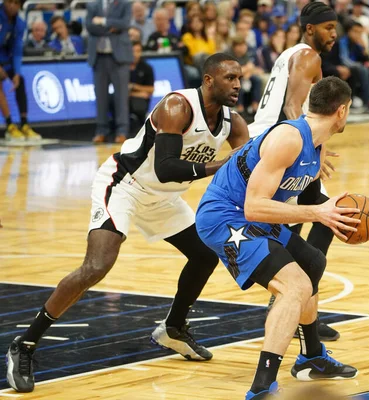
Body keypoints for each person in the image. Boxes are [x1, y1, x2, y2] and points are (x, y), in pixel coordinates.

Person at [5, 54, 250, 393]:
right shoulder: (178, 106)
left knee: (206, 254)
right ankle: (25, 343)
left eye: (239, 77)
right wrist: (218, 166)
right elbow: (165, 167)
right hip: (125, 185)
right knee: (96, 266)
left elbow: (250, 164)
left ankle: (174, 328)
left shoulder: (233, 123)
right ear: (209, 80)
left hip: (162, 198)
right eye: (229, 77)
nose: (238, 84)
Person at [196, 76, 369, 398]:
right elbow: (253, 206)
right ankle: (262, 386)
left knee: (312, 262)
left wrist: (361, 219)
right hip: (224, 217)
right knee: (296, 286)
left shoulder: (316, 146)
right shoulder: (289, 138)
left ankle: (312, 357)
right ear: (342, 111)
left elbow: (310, 201)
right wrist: (319, 215)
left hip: (251, 215)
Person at [248, 1, 341, 341]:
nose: (334, 33)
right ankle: (299, 308)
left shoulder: (291, 53)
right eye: (329, 28)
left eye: (336, 27)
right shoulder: (308, 57)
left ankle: (298, 305)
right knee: (320, 219)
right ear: (310, 29)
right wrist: (307, 147)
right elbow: (291, 106)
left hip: (270, 141)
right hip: (276, 145)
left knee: (308, 221)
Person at [86, 0, 133, 144]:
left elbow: (125, 24)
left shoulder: (125, 4)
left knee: (121, 97)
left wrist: (103, 21)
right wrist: (111, 27)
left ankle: (122, 131)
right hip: (98, 57)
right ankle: (101, 130)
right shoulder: (93, 5)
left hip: (118, 58)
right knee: (100, 97)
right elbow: (89, 26)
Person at [0, 0, 41, 141]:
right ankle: (10, 125)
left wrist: (16, 72)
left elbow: (17, 50)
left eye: (16, 3)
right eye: (9, 2)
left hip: (4, 58)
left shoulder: (20, 23)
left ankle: (24, 124)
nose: (12, 6)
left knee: (20, 81)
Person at [127, 41, 154, 134]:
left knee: (139, 104)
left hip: (138, 100)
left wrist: (133, 86)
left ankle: (140, 128)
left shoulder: (146, 67)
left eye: (138, 51)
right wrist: (138, 93)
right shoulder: (122, 68)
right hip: (125, 98)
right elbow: (119, 90)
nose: (135, 54)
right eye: (132, 51)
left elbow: (151, 89)